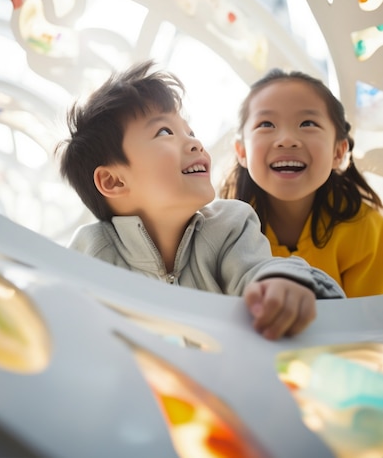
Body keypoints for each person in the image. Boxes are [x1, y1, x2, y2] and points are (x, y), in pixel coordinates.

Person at [55, 61, 344, 341]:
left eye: (189, 132)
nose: (196, 143)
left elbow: (256, 271)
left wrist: (283, 282)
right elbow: (64, 317)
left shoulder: (230, 225)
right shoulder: (93, 251)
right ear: (114, 181)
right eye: (164, 132)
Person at [220, 68, 383, 298]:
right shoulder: (222, 230)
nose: (286, 139)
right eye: (266, 124)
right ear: (242, 151)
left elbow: (369, 325)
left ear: (338, 151)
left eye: (307, 123)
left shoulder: (367, 229)